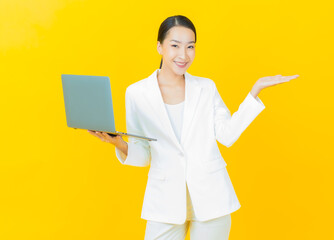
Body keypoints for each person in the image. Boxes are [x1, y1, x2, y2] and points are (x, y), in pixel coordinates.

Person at [88, 15, 299, 240]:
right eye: (175, 46)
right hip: (164, 200)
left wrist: (254, 92)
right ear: (159, 46)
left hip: (211, 197)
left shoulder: (206, 88)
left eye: (190, 47)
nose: (183, 55)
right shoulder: (137, 93)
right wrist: (117, 142)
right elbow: (143, 155)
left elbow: (227, 135)